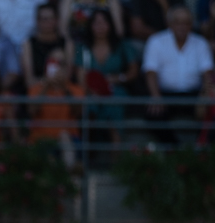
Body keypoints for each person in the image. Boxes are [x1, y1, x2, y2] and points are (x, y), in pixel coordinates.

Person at [143, 4, 213, 142]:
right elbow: (150, 72)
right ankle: (175, 150)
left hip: (194, 95)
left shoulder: (201, 43)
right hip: (165, 94)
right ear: (170, 23)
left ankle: (200, 151)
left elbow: (208, 74)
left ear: (191, 24)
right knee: (152, 114)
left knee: (211, 111)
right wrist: (156, 95)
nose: (182, 26)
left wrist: (205, 95)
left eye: (186, 23)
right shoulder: (156, 41)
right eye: (178, 22)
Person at [75, 8, 139, 139]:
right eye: (96, 23)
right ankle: (90, 151)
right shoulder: (83, 48)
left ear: (111, 24)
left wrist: (118, 78)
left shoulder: (122, 45)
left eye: (104, 22)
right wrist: (91, 91)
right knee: (88, 106)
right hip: (91, 92)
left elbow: (133, 71)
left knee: (114, 104)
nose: (100, 26)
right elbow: (81, 77)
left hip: (116, 90)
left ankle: (116, 152)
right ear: (90, 26)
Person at [27, 49, 83, 164]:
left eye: (61, 63)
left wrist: (64, 88)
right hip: (41, 137)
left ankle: (69, 171)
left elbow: (78, 112)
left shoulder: (75, 89)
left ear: (67, 67)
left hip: (69, 137)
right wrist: (46, 86)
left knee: (64, 137)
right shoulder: (36, 88)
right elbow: (32, 111)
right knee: (46, 149)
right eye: (53, 62)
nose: (57, 66)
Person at [22, 3, 72, 89]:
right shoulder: (28, 44)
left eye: (50, 19)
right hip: (37, 93)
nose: (47, 22)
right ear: (37, 21)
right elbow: (29, 81)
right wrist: (46, 81)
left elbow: (69, 75)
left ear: (57, 20)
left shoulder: (67, 43)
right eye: (43, 19)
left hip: (62, 91)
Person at [58, 0, 123, 44]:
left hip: (103, 42)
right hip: (77, 43)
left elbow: (119, 30)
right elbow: (63, 31)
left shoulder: (111, 2)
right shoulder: (68, 1)